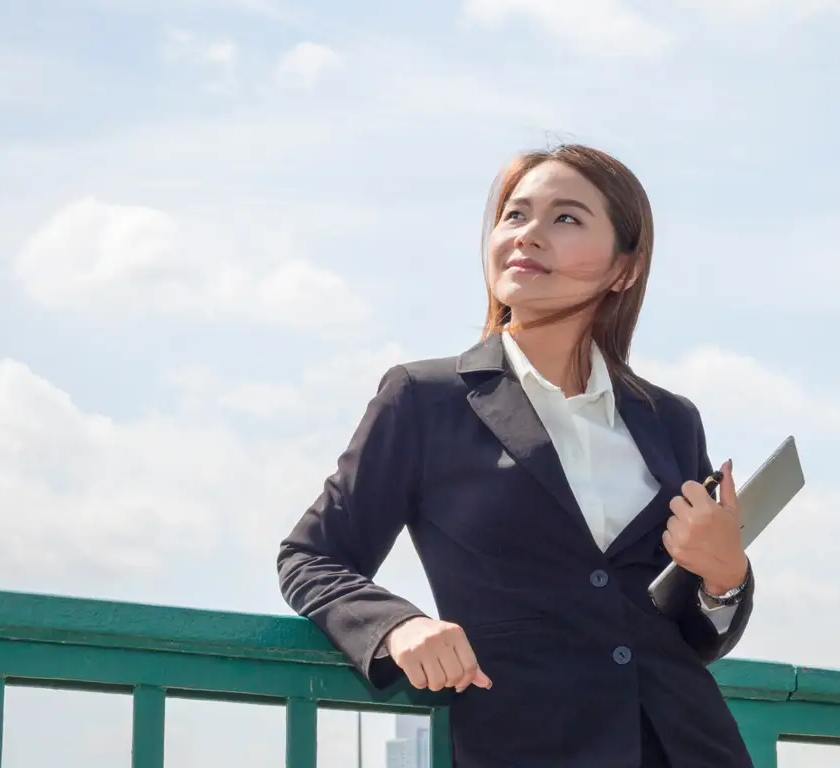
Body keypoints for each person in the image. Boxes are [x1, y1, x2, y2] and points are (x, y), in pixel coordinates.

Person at [276, 143, 755, 767]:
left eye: (566, 218)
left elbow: (688, 630)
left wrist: (724, 579)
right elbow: (310, 556)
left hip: (688, 745)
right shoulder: (424, 399)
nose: (527, 235)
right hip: (527, 744)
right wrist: (398, 626)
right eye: (514, 215)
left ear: (625, 268)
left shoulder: (671, 420)